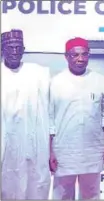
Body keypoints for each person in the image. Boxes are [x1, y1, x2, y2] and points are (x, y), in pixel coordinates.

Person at [49, 37, 104, 200]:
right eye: (75, 55)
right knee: (62, 194)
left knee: (91, 194)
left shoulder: (100, 81)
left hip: (92, 150)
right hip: (64, 150)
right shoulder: (56, 82)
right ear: (66, 56)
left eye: (84, 54)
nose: (80, 59)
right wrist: (50, 151)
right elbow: (49, 119)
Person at [1, 29, 51, 199]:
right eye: (10, 48)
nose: (14, 52)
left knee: (33, 185)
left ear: (23, 49)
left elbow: (49, 110)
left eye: (18, 47)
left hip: (33, 145)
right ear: (2, 50)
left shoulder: (38, 74)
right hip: (5, 147)